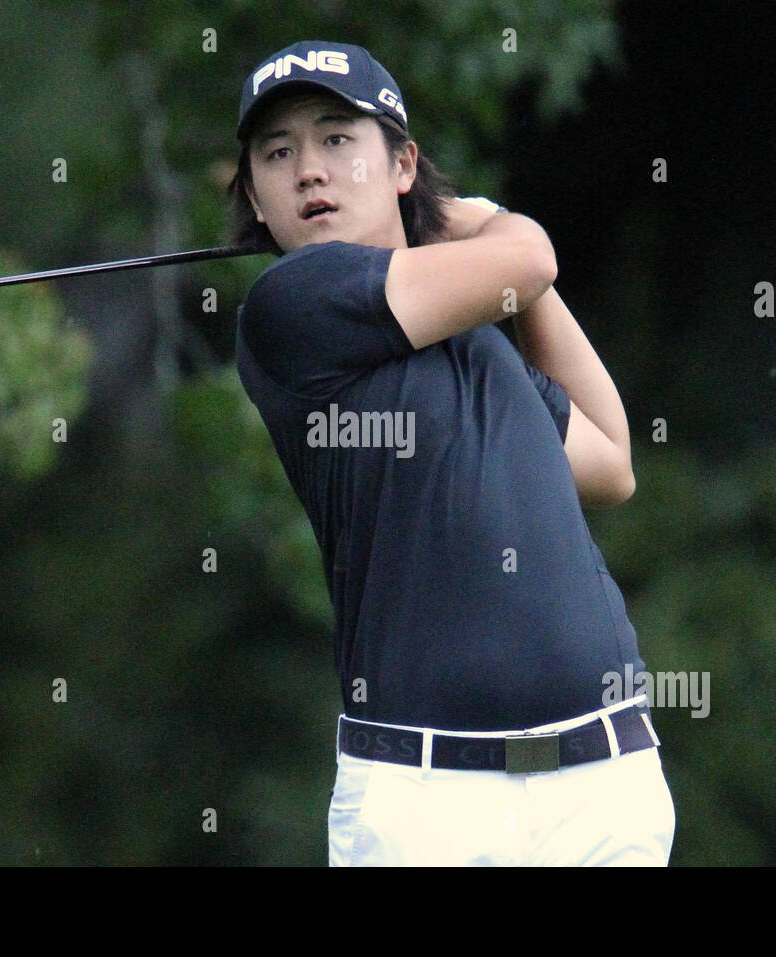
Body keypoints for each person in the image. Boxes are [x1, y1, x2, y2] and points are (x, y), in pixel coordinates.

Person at [227, 40, 675, 866]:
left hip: (602, 782)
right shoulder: (291, 307)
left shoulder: (479, 346)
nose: (310, 172)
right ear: (255, 195)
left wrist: (504, 266)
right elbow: (530, 257)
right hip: (425, 806)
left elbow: (611, 461)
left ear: (403, 164)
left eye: (336, 140)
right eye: (277, 153)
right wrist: (485, 222)